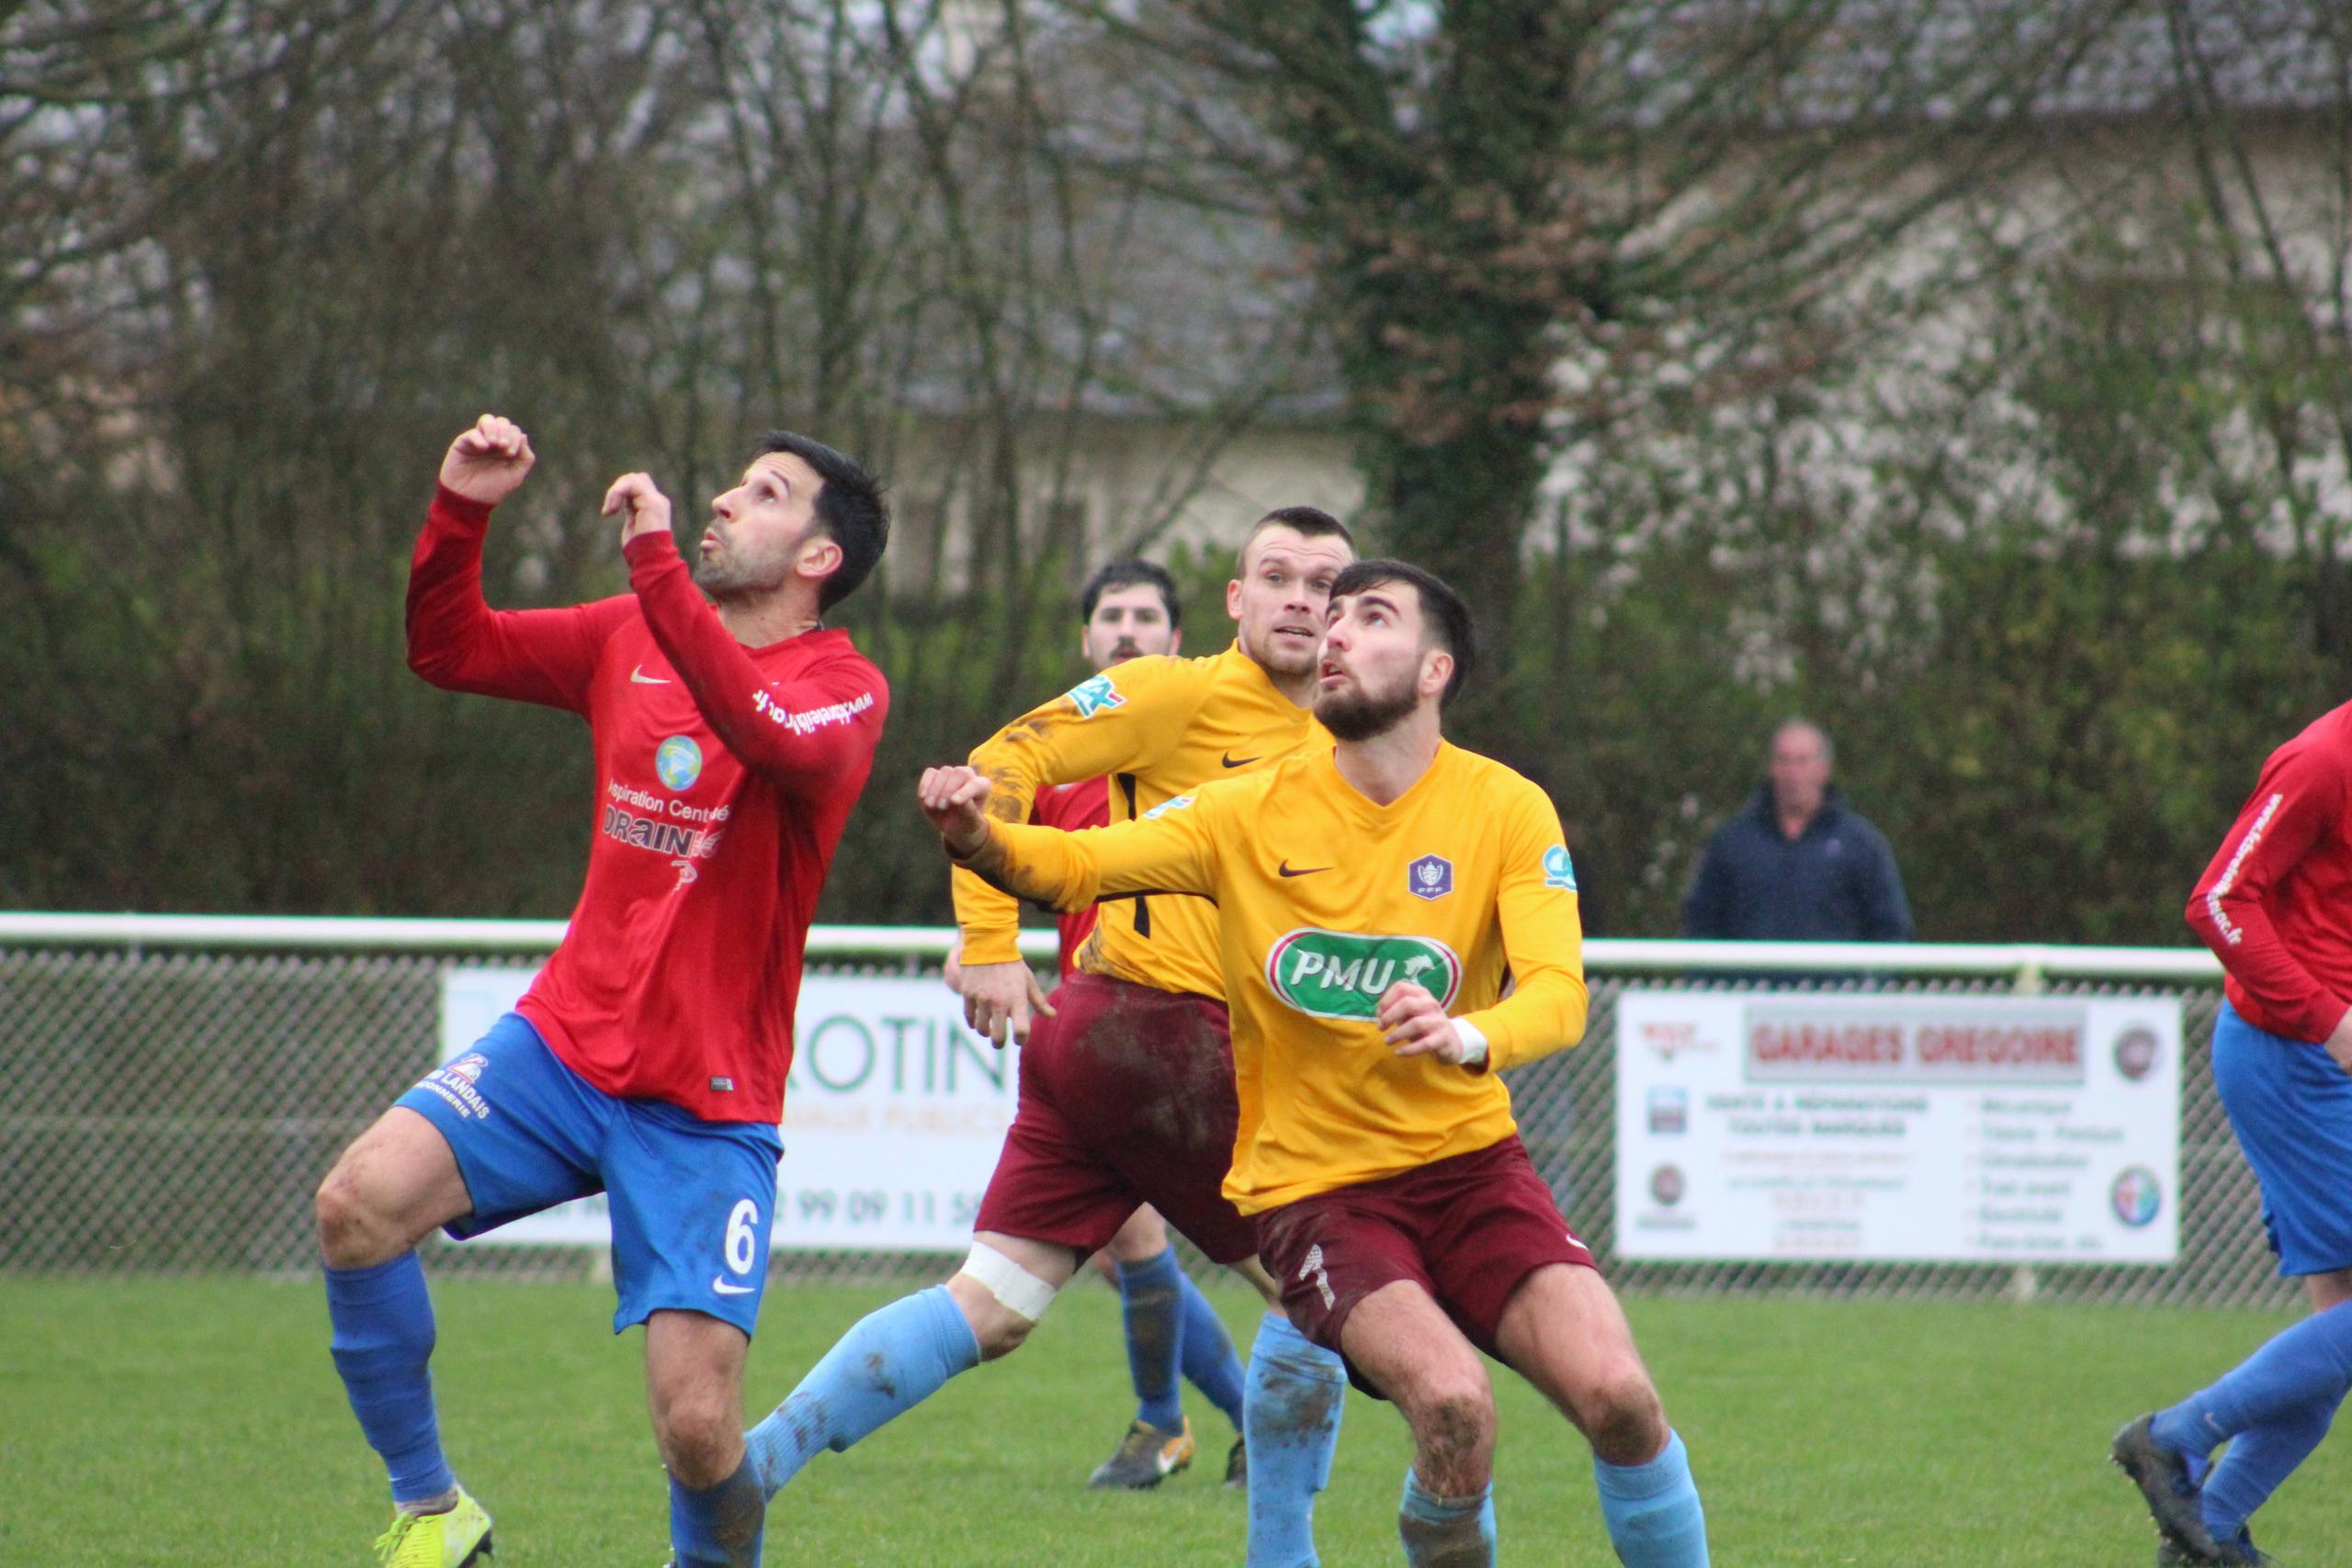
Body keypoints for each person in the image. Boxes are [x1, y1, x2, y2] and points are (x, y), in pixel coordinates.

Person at [919, 559, 1712, 1568]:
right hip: (1320, 1191)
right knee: (1456, 1407)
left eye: (1370, 618)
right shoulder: (1243, 809)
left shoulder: (1506, 807)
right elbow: (1071, 867)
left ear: (1435, 669)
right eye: (1332, 618)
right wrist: (979, 836)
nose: (1334, 633)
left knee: (1624, 1401)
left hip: (1473, 1169)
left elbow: (1560, 994)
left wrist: (1471, 1034)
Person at [313, 414, 888, 1568]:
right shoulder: (629, 631)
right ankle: (434, 1512)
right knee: (356, 1206)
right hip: (563, 1047)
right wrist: (461, 511)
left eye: (765, 494)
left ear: (819, 557)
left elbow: (765, 732)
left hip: (705, 1103)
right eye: (734, 484)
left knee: (697, 1427)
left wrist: (656, 566)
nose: (724, 500)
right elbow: (447, 650)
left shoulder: (843, 690)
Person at [743, 510, 1358, 1568]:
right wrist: (988, 940)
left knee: (992, 1304)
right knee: (1334, 1298)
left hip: (1110, 1046)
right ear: (1235, 600)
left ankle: (738, 1475)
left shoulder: (1356, 742)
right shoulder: (1176, 693)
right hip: (1166, 1038)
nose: (1300, 598)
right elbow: (998, 763)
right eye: (1277, 576)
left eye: (1324, 584)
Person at [940, 556, 1255, 1489]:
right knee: (1130, 1253)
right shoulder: (1058, 768)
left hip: (1184, 1030)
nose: (1126, 630)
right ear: (1085, 642)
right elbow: (997, 854)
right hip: (1099, 1033)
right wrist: (978, 943)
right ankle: (1210, 1423)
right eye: (1111, 616)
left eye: (1145, 616)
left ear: (1178, 643)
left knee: (1155, 1248)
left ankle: (1178, 1424)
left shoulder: (1210, 754)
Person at [2112, 703, 2352, 1567]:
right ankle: (2175, 1438)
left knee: (2336, 1338)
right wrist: (2330, 1020)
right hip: (2295, 1058)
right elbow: (2217, 899)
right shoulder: (2324, 760)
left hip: (2322, 1058)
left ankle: (2207, 1527)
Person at [1679, 718, 1912, 942]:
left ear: (1825, 769)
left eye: (1803, 761)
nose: (1792, 773)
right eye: (1784, 760)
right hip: (1750, 972)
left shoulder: (1861, 844)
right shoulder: (1732, 842)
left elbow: (1891, 928)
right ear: (1772, 768)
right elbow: (1700, 923)